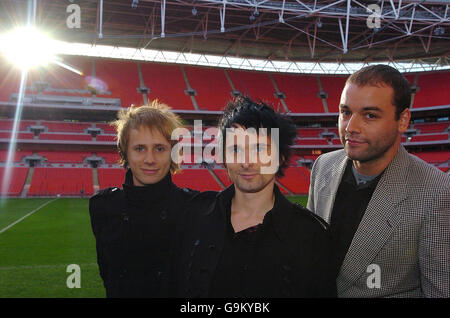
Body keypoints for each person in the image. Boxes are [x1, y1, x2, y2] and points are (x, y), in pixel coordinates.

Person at [307, 65, 450, 297]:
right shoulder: (323, 166)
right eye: (345, 112)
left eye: (370, 115)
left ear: (402, 120)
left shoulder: (436, 193)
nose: (351, 127)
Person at [172, 97, 336, 298]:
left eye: (259, 149)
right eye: (235, 149)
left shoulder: (311, 235)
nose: (246, 162)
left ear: (280, 157)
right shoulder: (193, 217)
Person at [89, 100, 198, 298]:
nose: (150, 159)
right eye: (139, 148)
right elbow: (108, 274)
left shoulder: (195, 208)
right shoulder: (102, 206)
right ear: (125, 152)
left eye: (159, 148)